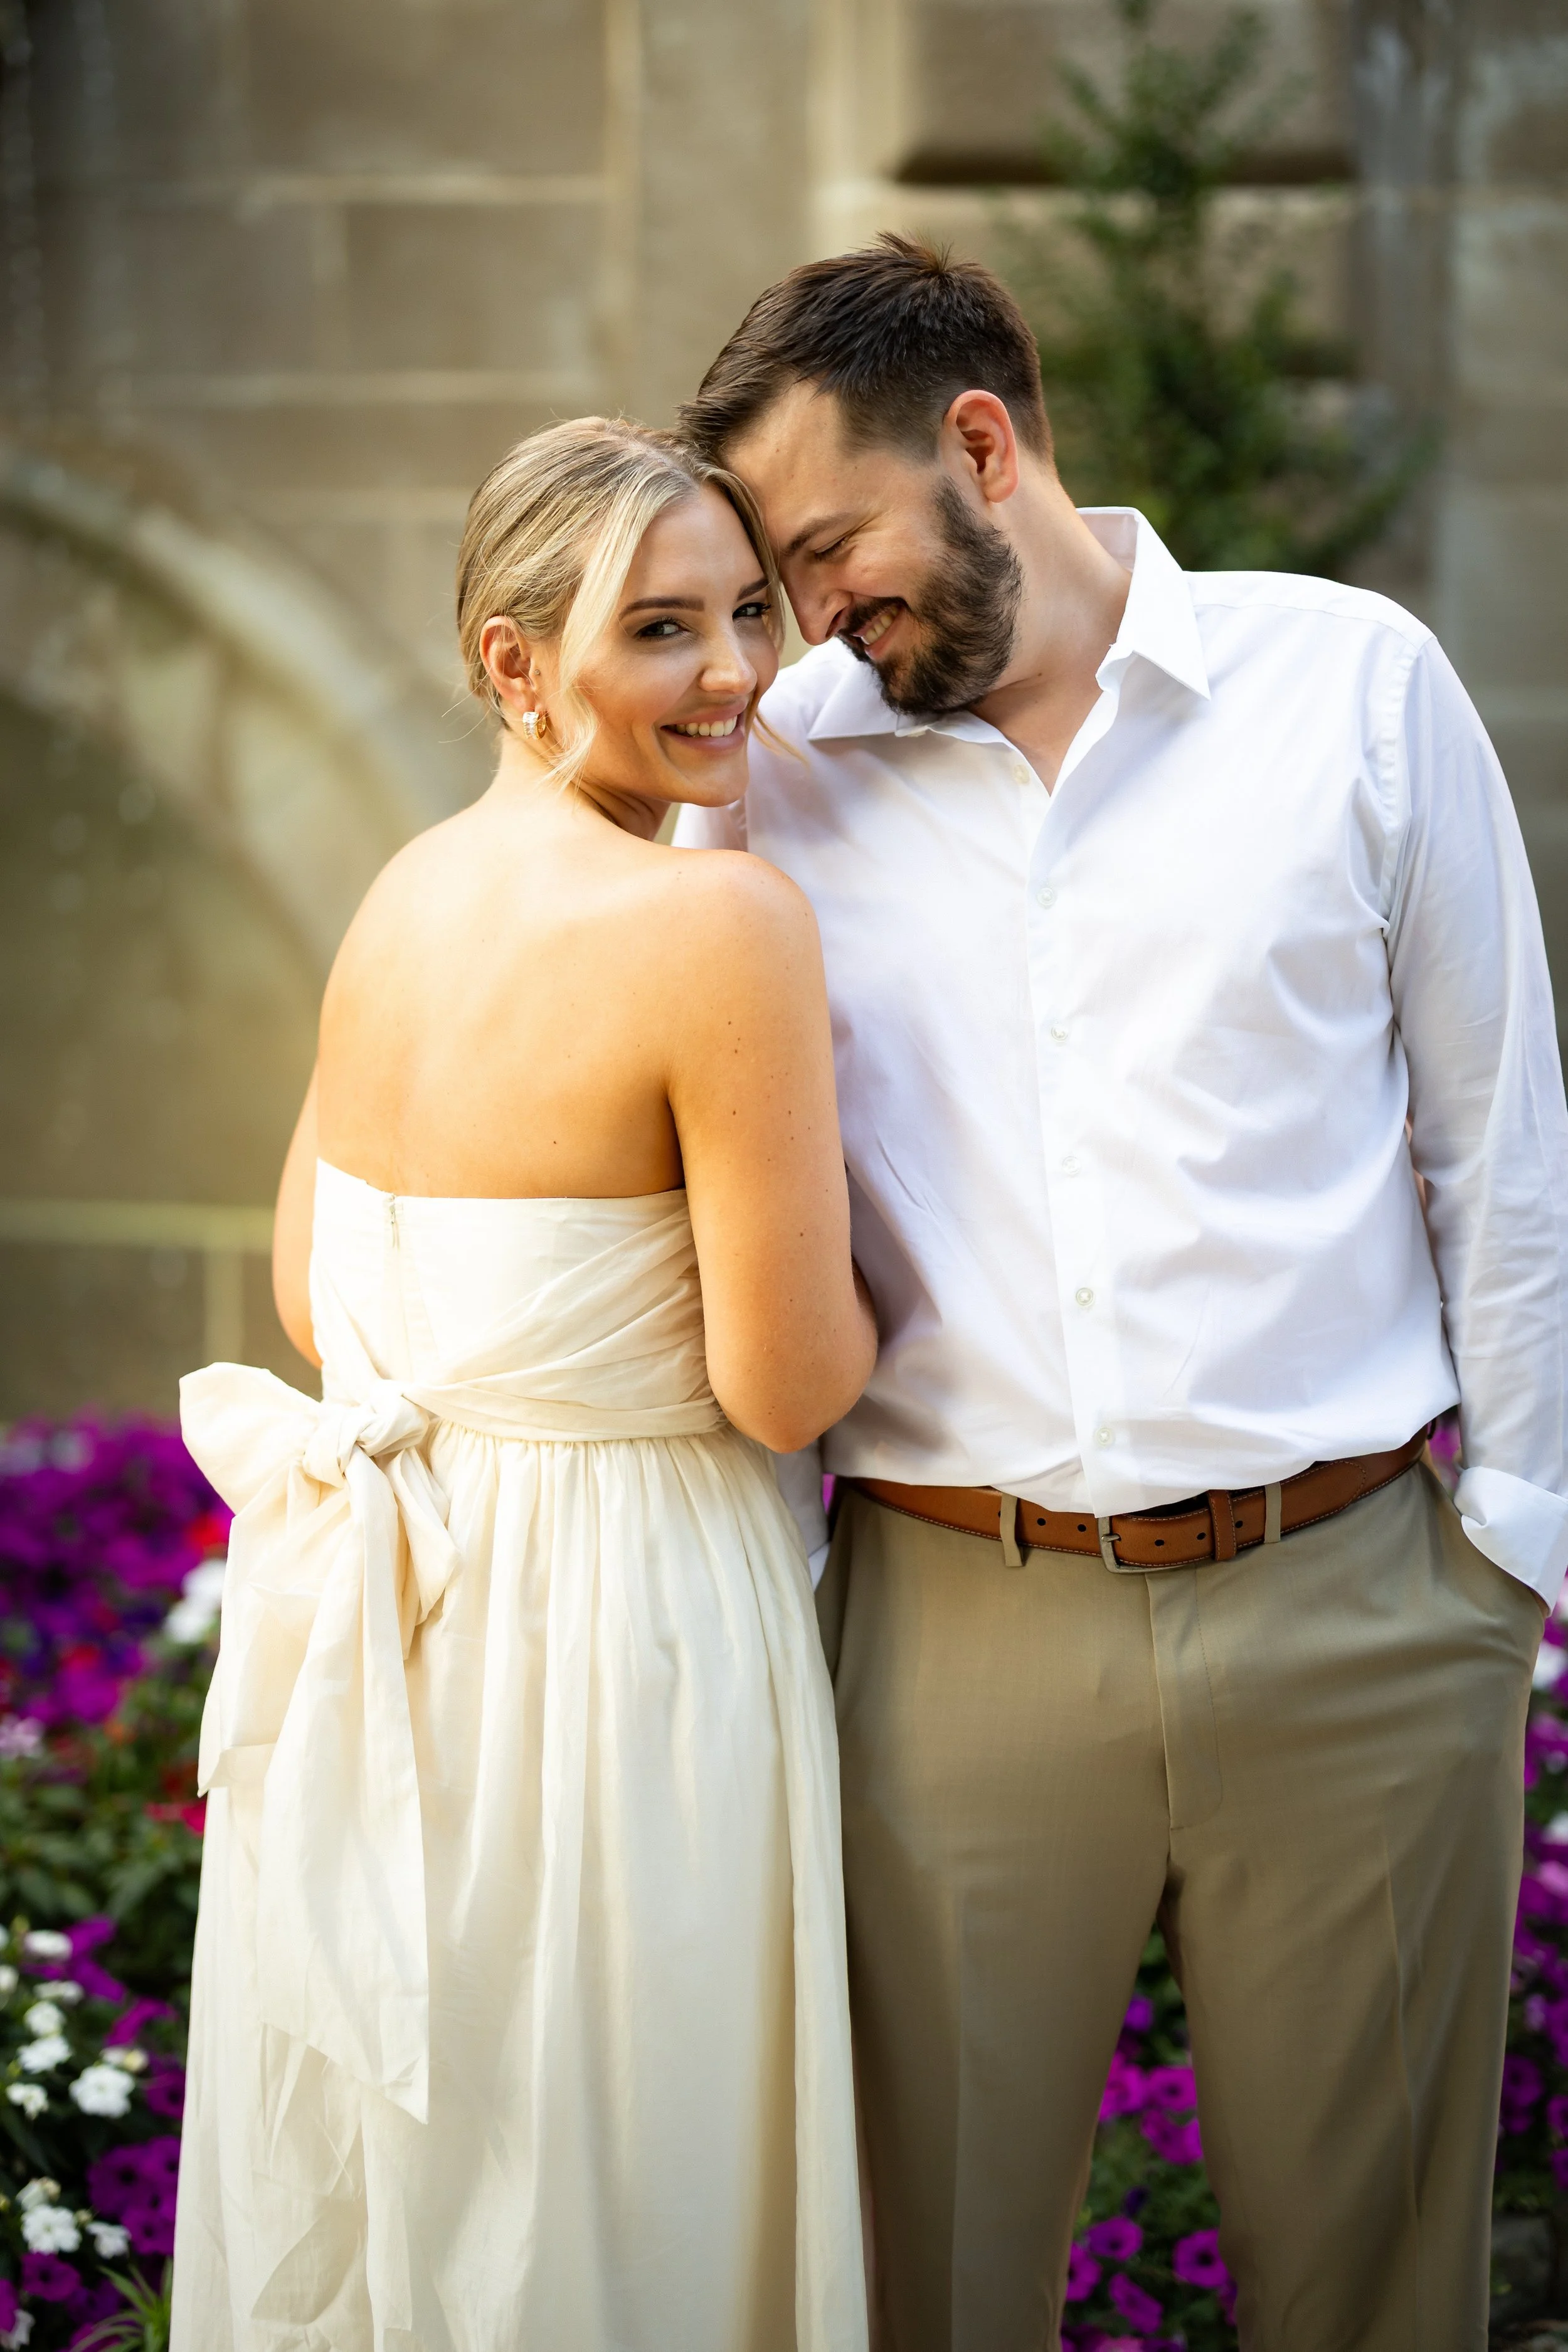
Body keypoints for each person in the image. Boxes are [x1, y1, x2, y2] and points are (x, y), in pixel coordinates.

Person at [674, 235, 1568, 2351]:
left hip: (1355, 1619)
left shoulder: (1352, 684)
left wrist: (1503, 1567)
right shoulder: (774, 775)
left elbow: (1497, 1142)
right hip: (948, 1635)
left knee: (1378, 2307)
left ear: (981, 443)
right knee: (920, 2291)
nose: (810, 618)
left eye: (829, 547)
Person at [170, 418, 876, 2352]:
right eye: (659, 628)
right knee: (609, 2175)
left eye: (747, 609)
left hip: (394, 1619)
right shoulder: (716, 922)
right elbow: (789, 1381)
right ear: (511, 661)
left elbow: (320, 1284)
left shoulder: (402, 893)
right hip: (622, 1637)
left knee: (438, 2177)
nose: (733, 668)